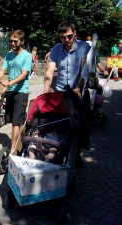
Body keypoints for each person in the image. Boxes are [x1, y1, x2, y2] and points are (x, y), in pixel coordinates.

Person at [44, 21, 91, 167]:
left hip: (78, 91)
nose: (67, 40)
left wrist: (78, 88)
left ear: (75, 33)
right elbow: (49, 71)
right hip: (61, 91)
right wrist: (47, 87)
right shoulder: (56, 50)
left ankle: (76, 154)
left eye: (69, 36)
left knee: (78, 125)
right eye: (63, 37)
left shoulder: (83, 47)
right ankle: (57, 150)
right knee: (59, 123)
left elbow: (85, 70)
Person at [0, 30, 32, 153]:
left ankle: (12, 150)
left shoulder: (27, 56)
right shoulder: (9, 55)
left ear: (22, 41)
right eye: (11, 40)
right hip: (10, 92)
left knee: (16, 123)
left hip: (21, 92)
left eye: (15, 41)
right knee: (11, 121)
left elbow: (23, 75)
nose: (12, 43)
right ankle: (18, 144)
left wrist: (10, 83)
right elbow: (1, 71)